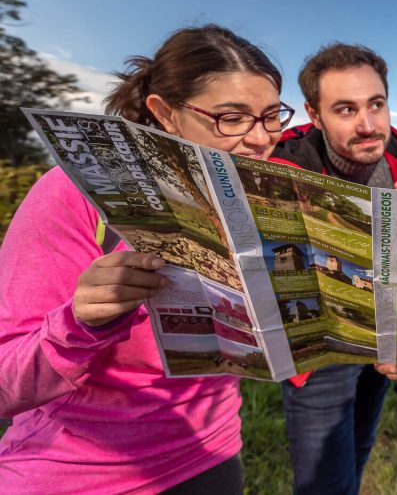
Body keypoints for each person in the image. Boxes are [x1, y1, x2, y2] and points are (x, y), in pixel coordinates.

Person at [0, 25, 293, 494]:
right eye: (232, 118)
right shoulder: (72, 194)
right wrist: (81, 323)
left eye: (271, 116)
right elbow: (5, 384)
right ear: (165, 114)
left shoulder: (260, 198)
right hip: (80, 474)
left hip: (213, 452)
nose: (260, 139)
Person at [269, 42, 397, 495]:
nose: (368, 125)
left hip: (382, 339)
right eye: (345, 109)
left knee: (358, 451)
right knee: (325, 482)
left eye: (377, 104)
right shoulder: (286, 162)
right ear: (314, 115)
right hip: (320, 348)